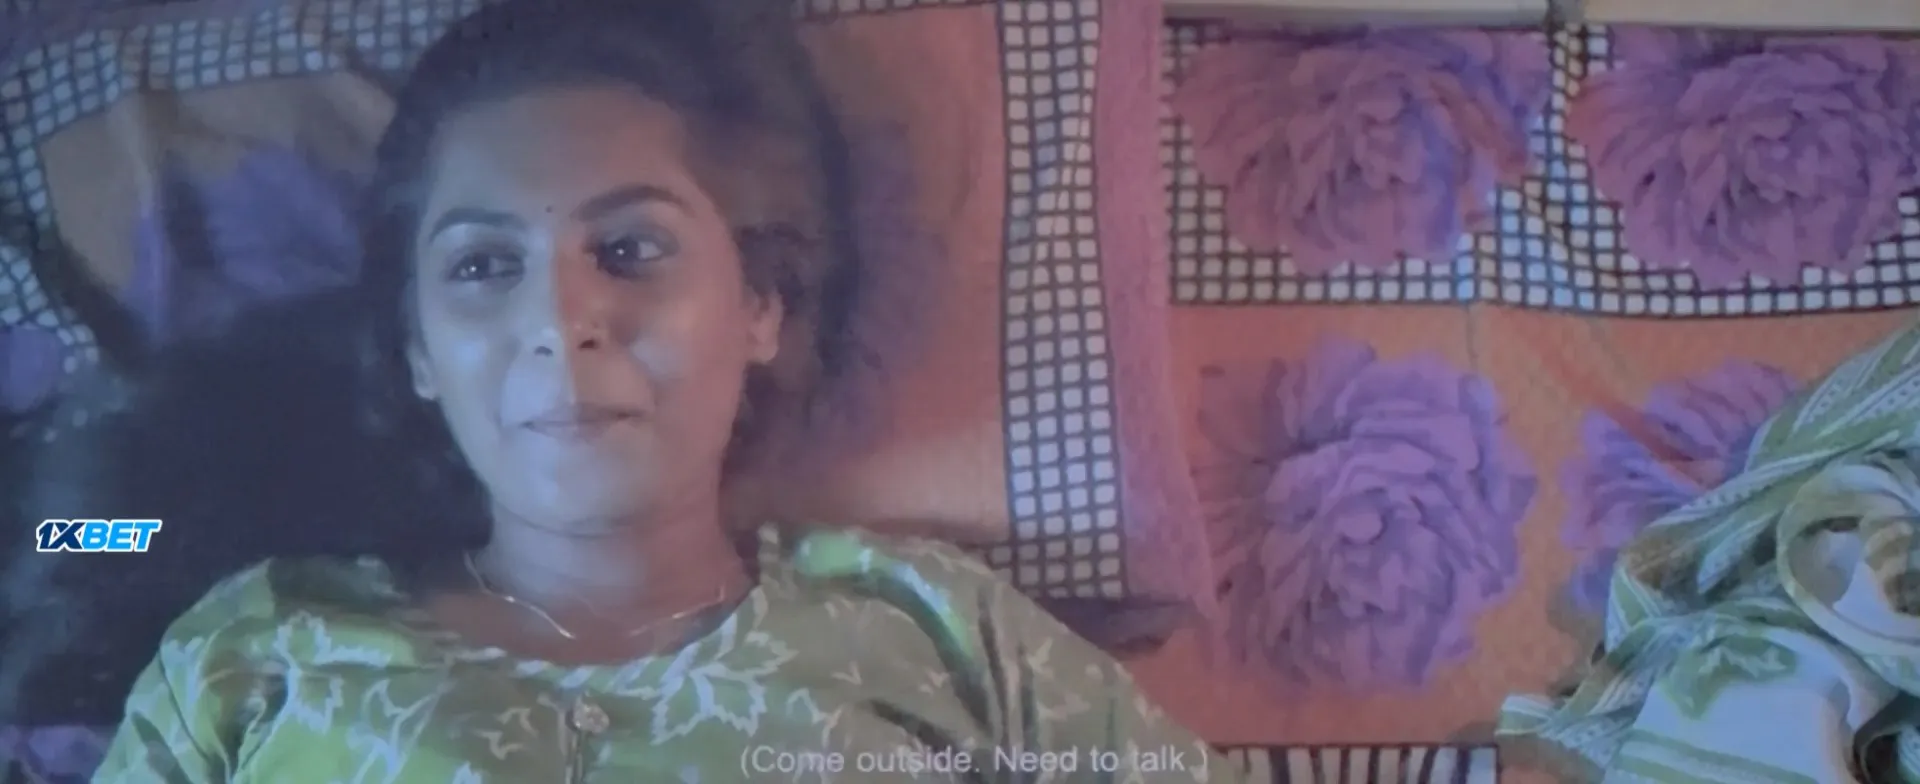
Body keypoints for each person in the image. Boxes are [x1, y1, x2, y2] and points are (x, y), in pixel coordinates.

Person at [61, 0, 1240, 780]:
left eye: (629, 248)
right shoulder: (256, 653)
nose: (559, 319)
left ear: (760, 304)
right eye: (483, 266)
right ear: (418, 349)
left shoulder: (939, 633)